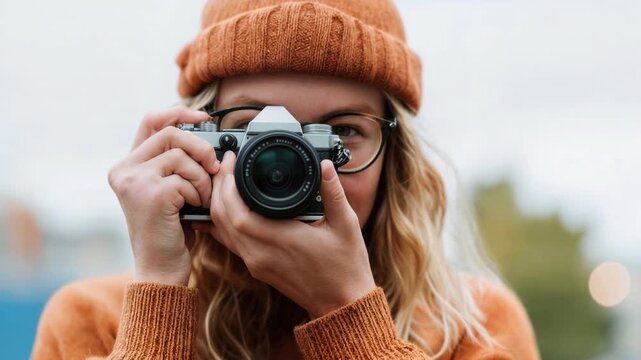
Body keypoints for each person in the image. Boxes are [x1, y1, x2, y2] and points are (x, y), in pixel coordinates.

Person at [32, 0, 540, 359]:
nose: (289, 165)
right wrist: (158, 299)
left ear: (396, 157)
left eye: (339, 132)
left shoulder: (476, 327)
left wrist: (349, 315)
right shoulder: (94, 322)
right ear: (196, 140)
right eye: (255, 129)